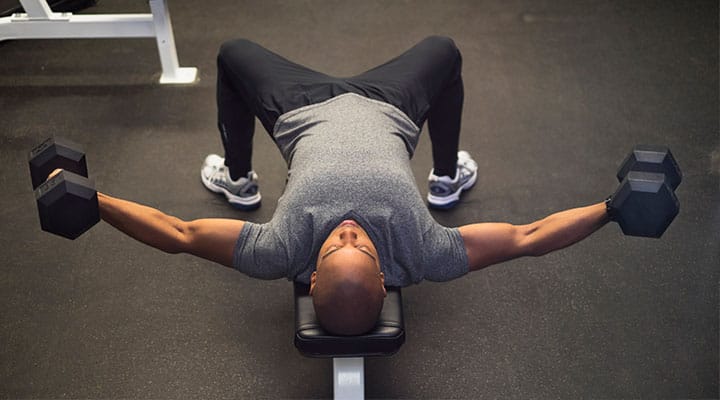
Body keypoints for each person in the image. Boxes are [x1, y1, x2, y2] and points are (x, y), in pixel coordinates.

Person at [96, 36, 610, 336]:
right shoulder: (425, 252)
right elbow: (529, 238)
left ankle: (237, 181)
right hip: (391, 107)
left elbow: (179, 234)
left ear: (311, 279)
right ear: (385, 276)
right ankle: (447, 178)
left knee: (232, 54)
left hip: (298, 108)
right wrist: (611, 208)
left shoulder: (279, 250)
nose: (345, 231)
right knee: (446, 52)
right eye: (358, 244)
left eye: (334, 246)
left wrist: (94, 203)